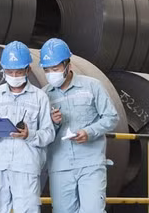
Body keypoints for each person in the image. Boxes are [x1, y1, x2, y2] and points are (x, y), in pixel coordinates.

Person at [40, 38, 119, 213]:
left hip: (90, 163)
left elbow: (111, 117)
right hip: (60, 166)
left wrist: (89, 132)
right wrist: (53, 123)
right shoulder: (44, 95)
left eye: (55, 68)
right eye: (47, 70)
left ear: (68, 65)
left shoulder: (92, 86)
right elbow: (42, 133)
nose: (51, 73)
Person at [0, 41, 54, 213]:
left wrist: (29, 134)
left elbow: (49, 134)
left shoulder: (40, 98)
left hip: (26, 168)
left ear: (28, 70)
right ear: (3, 70)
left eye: (18, 72)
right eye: (9, 72)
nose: (14, 75)